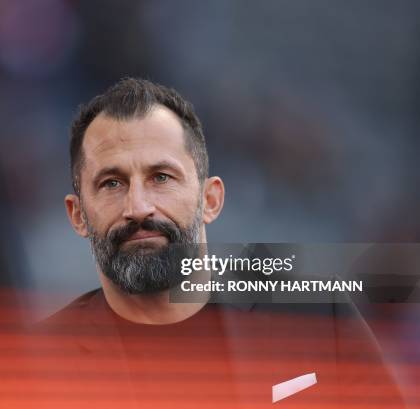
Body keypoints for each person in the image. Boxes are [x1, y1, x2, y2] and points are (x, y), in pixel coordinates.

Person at [35, 78, 405, 408]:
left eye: (161, 177)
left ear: (210, 200)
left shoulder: (316, 314)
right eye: (111, 183)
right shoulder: (33, 363)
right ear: (77, 215)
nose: (138, 207)